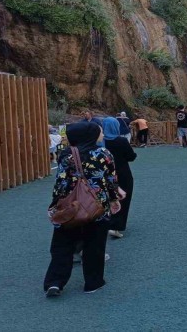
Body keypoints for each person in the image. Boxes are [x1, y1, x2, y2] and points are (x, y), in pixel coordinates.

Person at [44, 122, 123, 297]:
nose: (101, 134)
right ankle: (93, 282)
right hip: (96, 205)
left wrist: (56, 203)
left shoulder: (66, 154)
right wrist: (113, 198)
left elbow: (60, 181)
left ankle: (55, 282)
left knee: (62, 244)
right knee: (94, 244)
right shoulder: (103, 153)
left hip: (70, 206)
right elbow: (111, 179)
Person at [103, 118, 137, 239]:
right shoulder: (121, 141)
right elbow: (131, 156)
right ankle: (116, 225)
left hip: (104, 174)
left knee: (105, 197)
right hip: (122, 173)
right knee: (123, 197)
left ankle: (104, 222)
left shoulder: (101, 141)